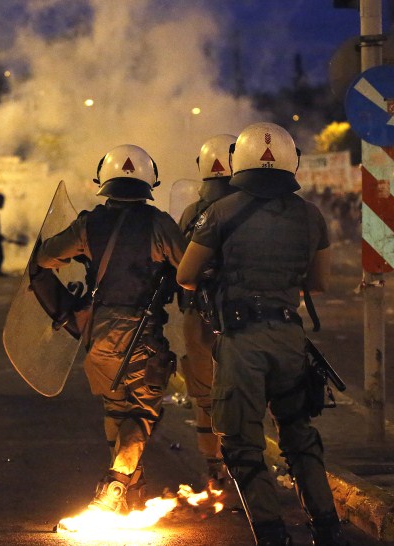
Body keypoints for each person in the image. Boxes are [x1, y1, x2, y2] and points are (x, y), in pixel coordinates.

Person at [177, 122, 347, 546]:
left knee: (243, 443)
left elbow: (185, 276)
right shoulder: (311, 215)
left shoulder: (219, 212)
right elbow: (320, 283)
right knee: (299, 436)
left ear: (240, 162)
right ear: (292, 161)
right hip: (290, 339)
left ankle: (272, 535)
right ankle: (327, 530)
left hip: (241, 341)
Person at [36, 144, 186, 514]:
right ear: (149, 181)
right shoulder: (159, 224)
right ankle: (117, 485)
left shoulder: (90, 223)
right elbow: (190, 269)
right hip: (141, 330)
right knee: (143, 411)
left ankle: (130, 495)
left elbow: (44, 257)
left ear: (104, 180)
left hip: (99, 330)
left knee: (115, 408)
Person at [177, 134, 238, 486]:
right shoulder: (254, 206)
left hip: (198, 315)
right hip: (243, 316)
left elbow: (182, 269)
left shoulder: (192, 212)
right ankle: (245, 461)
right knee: (247, 389)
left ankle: (213, 463)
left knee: (204, 391)